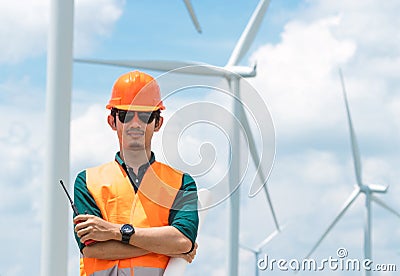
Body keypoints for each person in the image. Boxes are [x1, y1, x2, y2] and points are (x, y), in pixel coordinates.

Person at [73, 70, 199, 276]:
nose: (135, 123)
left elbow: (183, 240)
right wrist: (166, 245)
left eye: (146, 116)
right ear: (112, 121)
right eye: (126, 115)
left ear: (158, 122)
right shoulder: (87, 182)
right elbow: (92, 249)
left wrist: (114, 232)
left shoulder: (181, 183)